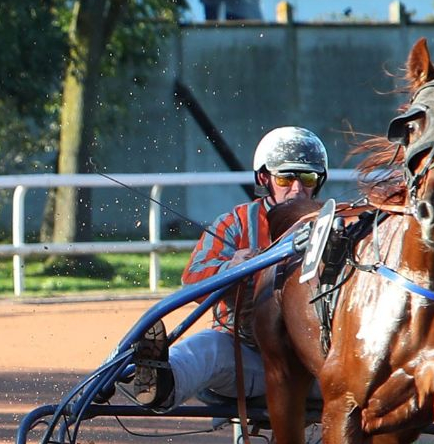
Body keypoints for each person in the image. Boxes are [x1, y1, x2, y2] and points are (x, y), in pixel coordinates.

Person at [127, 126, 329, 410]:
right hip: (250, 358)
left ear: (319, 181)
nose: (297, 189)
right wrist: (228, 269)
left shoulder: (335, 226)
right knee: (207, 347)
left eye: (307, 177)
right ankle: (160, 382)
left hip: (315, 364)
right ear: (264, 178)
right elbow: (192, 283)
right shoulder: (235, 223)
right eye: (285, 177)